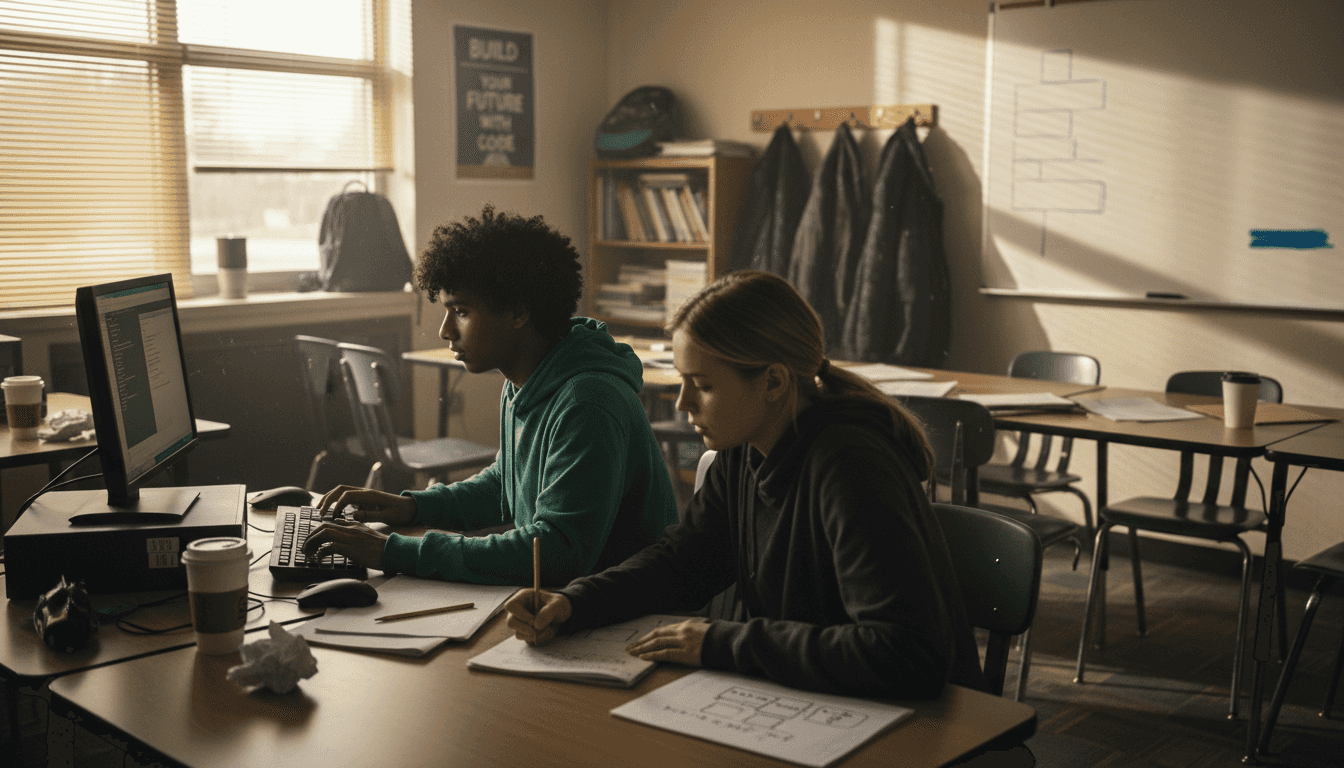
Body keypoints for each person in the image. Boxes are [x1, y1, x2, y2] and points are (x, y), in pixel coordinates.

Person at [503, 270, 988, 699]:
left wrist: (722, 642)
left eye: (704, 385)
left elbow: (905, 653)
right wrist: (574, 602)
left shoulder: (850, 466)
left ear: (774, 382)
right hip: (814, 700)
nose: (682, 405)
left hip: (921, 728)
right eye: (682, 382)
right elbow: (681, 565)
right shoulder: (746, 451)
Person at [303, 205, 679, 585]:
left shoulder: (587, 402)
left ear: (517, 312)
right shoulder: (524, 381)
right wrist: (412, 507)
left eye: (461, 311)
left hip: (630, 613)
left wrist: (391, 551)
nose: (446, 331)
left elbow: (556, 551)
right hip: (570, 596)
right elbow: (505, 484)